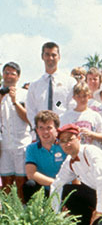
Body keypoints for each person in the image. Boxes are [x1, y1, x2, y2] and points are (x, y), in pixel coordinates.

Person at [0, 62, 31, 199]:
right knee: (6, 181)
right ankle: (6, 213)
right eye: (6, 72)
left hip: (22, 144)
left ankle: (22, 210)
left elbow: (28, 118)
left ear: (18, 77)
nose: (9, 76)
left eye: (12, 73)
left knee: (21, 181)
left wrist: (14, 101)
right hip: (4, 146)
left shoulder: (25, 94)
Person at [26, 42, 76, 126]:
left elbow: (72, 106)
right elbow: (30, 110)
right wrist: (38, 128)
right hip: (41, 133)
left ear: (59, 57)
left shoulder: (69, 82)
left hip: (63, 130)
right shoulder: (35, 85)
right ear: (42, 56)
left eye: (54, 55)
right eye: (47, 55)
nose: (50, 58)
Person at [23, 110, 67, 202]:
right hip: (45, 189)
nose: (45, 132)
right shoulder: (31, 148)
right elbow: (31, 174)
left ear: (57, 129)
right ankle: (34, 214)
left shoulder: (65, 145)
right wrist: (55, 184)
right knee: (29, 185)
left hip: (65, 188)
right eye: (41, 128)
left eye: (49, 127)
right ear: (37, 130)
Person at [60, 81, 102, 146]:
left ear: (89, 96)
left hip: (91, 152)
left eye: (84, 96)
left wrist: (91, 134)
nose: (82, 99)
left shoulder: (95, 115)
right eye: (79, 96)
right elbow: (61, 137)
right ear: (74, 97)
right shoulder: (67, 116)